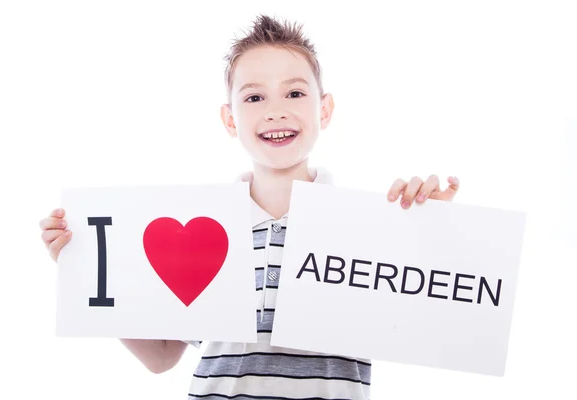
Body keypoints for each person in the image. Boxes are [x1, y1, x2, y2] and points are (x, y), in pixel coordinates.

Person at [39, 14, 460, 400]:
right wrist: (88, 269)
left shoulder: (367, 227)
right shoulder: (203, 227)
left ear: (324, 109)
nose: (276, 111)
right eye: (254, 98)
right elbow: (161, 356)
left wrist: (429, 234)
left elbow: (428, 325)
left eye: (294, 92)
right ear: (230, 119)